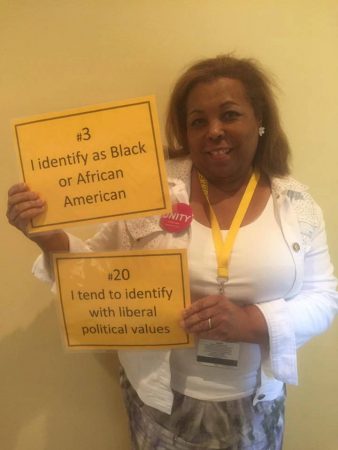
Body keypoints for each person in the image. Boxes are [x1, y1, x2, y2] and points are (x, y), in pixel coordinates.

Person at [7, 55, 338, 450]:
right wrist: (46, 235)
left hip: (256, 402)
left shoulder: (296, 203)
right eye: (198, 121)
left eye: (229, 114)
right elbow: (92, 271)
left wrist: (254, 322)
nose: (214, 131)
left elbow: (325, 295)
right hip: (161, 402)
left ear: (259, 120)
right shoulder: (150, 192)